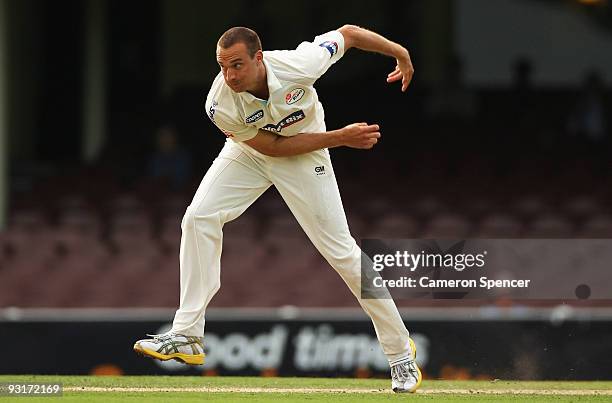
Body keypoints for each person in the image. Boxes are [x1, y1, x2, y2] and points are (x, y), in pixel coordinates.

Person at [134, 25, 422, 393]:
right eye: (223, 66)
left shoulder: (300, 63)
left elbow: (348, 34)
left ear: (259, 57)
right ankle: (187, 334)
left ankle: (400, 355)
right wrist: (339, 138)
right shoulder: (218, 102)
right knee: (198, 217)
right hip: (253, 153)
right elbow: (269, 147)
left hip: (305, 156)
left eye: (237, 65)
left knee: (342, 252)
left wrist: (400, 51)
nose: (230, 75)